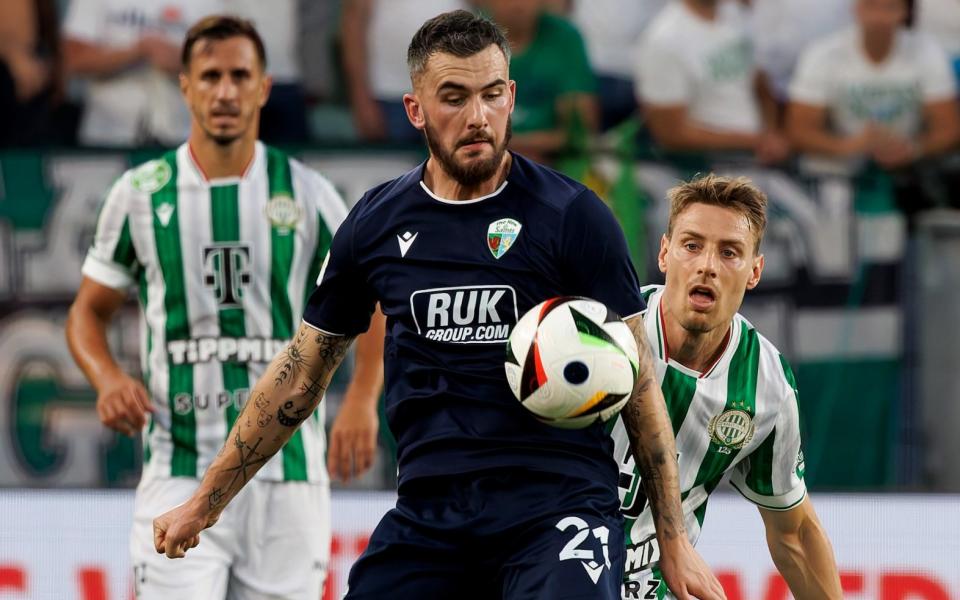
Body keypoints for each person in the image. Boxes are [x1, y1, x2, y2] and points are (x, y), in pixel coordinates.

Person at [153, 10, 726, 600]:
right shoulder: (376, 224)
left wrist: (673, 539)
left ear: (511, 97)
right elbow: (301, 374)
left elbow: (640, 381)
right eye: (453, 97)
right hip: (431, 516)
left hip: (556, 508)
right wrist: (204, 503)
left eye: (492, 95)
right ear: (415, 109)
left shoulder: (573, 216)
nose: (477, 116)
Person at [65, 16, 384, 599]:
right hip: (176, 468)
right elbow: (89, 311)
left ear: (264, 87)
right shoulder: (139, 194)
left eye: (241, 75)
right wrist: (106, 376)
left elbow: (373, 300)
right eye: (210, 76)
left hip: (286, 477)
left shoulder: (308, 193)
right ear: (185, 86)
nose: (226, 91)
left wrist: (362, 399)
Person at [611, 174, 843, 599]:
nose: (707, 266)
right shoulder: (601, 334)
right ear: (664, 253)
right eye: (691, 245)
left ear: (755, 271)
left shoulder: (767, 386)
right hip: (558, 566)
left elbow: (794, 535)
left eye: (730, 252)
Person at [786, 0, 960, 222]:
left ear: (904, 13)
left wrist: (913, 148)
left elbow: (950, 128)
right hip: (838, 173)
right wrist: (850, 146)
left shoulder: (927, 51)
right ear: (856, 8)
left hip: (907, 172)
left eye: (889, 8)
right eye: (872, 6)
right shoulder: (823, 53)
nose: (879, 18)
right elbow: (798, 130)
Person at [634, 0, 790, 164]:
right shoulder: (663, 40)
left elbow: (760, 86)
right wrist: (754, 141)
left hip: (757, 158)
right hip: (706, 166)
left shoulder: (736, 16)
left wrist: (770, 133)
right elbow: (670, 133)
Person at [483, 0, 599, 162]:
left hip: (553, 165)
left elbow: (578, 130)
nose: (518, 4)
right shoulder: (464, 40)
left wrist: (506, 144)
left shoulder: (566, 39)